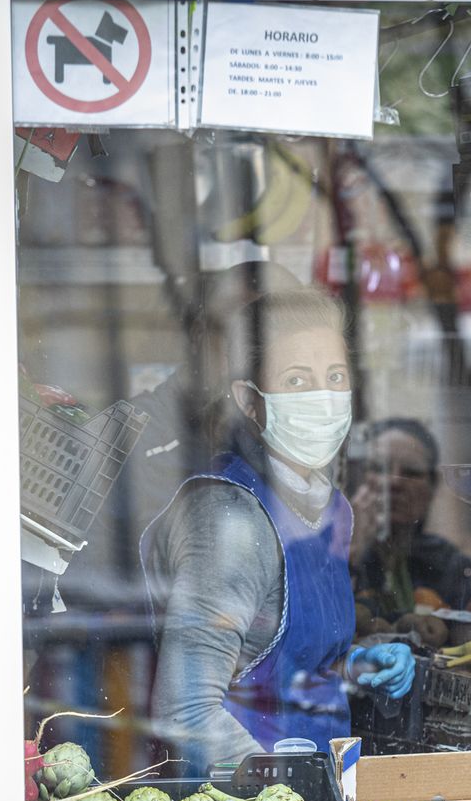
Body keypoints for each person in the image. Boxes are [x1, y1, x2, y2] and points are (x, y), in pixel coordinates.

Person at [141, 289, 416, 770]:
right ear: (250, 401)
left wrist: (353, 666)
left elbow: (285, 660)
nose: (323, 398)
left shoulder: (332, 509)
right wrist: (279, 797)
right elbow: (185, 711)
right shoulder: (230, 519)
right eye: (296, 380)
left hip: (319, 792)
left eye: (335, 377)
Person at [346, 417, 471, 646]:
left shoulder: (451, 565)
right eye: (379, 468)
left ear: (432, 486)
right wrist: (350, 549)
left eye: (411, 472)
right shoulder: (327, 556)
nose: (394, 482)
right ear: (360, 478)